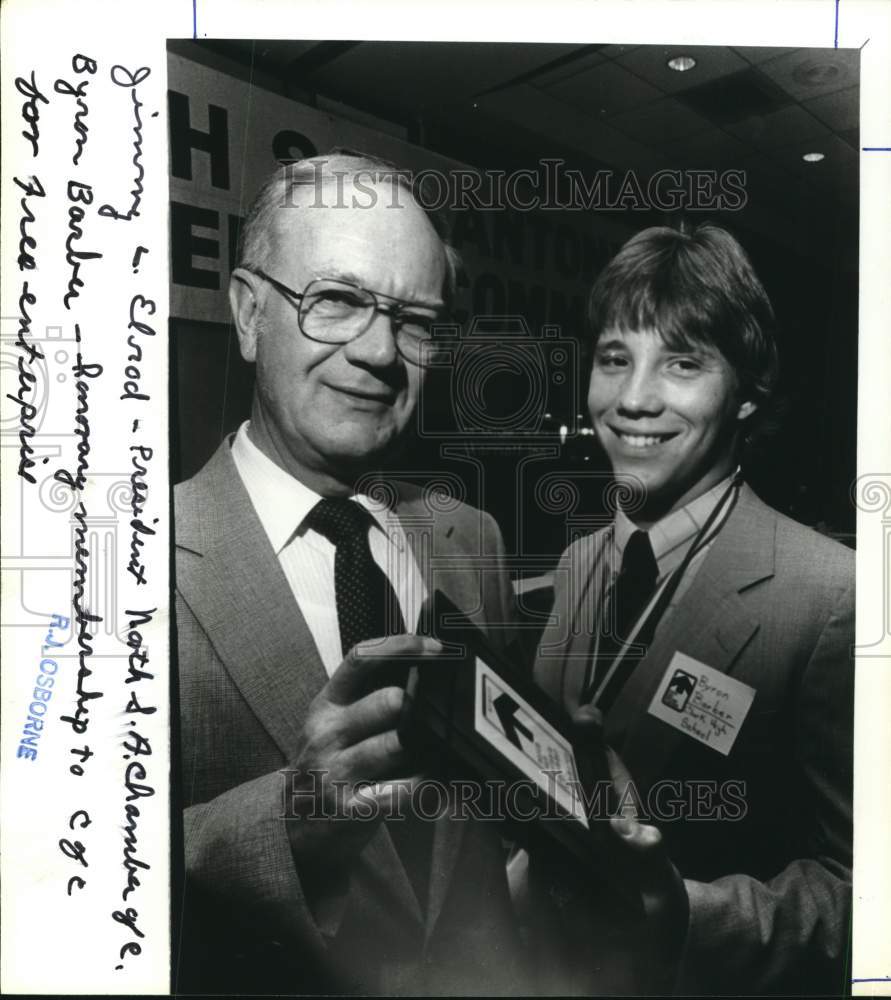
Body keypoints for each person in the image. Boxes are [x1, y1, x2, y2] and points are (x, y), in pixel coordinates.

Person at [173, 152, 532, 994]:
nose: (378, 352)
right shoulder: (124, 562)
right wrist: (286, 827)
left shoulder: (470, 541)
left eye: (414, 321)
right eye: (336, 300)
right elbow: (51, 874)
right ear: (249, 313)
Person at [533, 224, 853, 995]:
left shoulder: (829, 599)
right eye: (615, 358)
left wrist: (682, 917)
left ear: (746, 395)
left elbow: (861, 889)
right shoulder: (578, 564)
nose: (632, 400)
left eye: (682, 363)